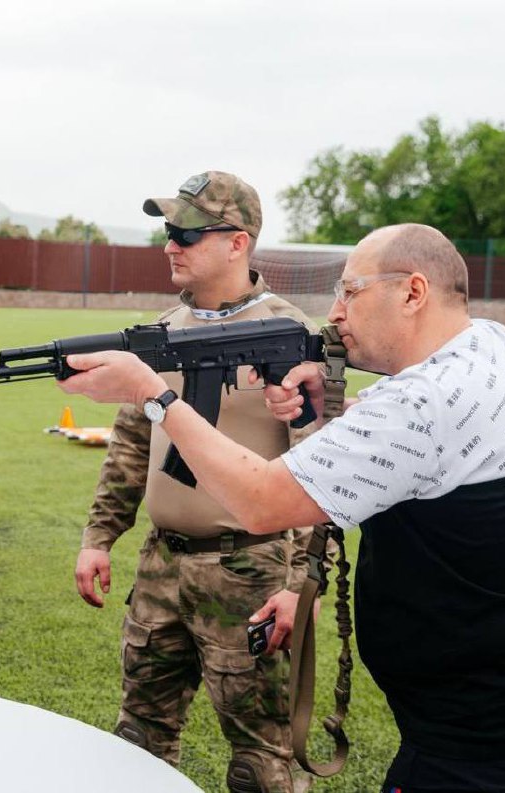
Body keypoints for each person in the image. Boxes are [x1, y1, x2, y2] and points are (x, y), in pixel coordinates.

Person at [61, 223, 505, 793]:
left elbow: (263, 501)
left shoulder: (419, 402)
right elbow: (404, 440)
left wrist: (155, 396)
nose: (335, 312)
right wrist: (328, 408)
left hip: (477, 722)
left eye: (351, 291)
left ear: (413, 293)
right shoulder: (490, 341)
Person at [74, 170, 319, 793]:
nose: (170, 245)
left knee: (259, 764)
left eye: (185, 232)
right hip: (162, 566)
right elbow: (131, 444)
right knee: (137, 742)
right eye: (167, 231)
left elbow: (327, 478)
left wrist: (299, 588)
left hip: (253, 573)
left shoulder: (294, 338)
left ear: (238, 243)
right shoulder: (160, 332)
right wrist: (99, 536)